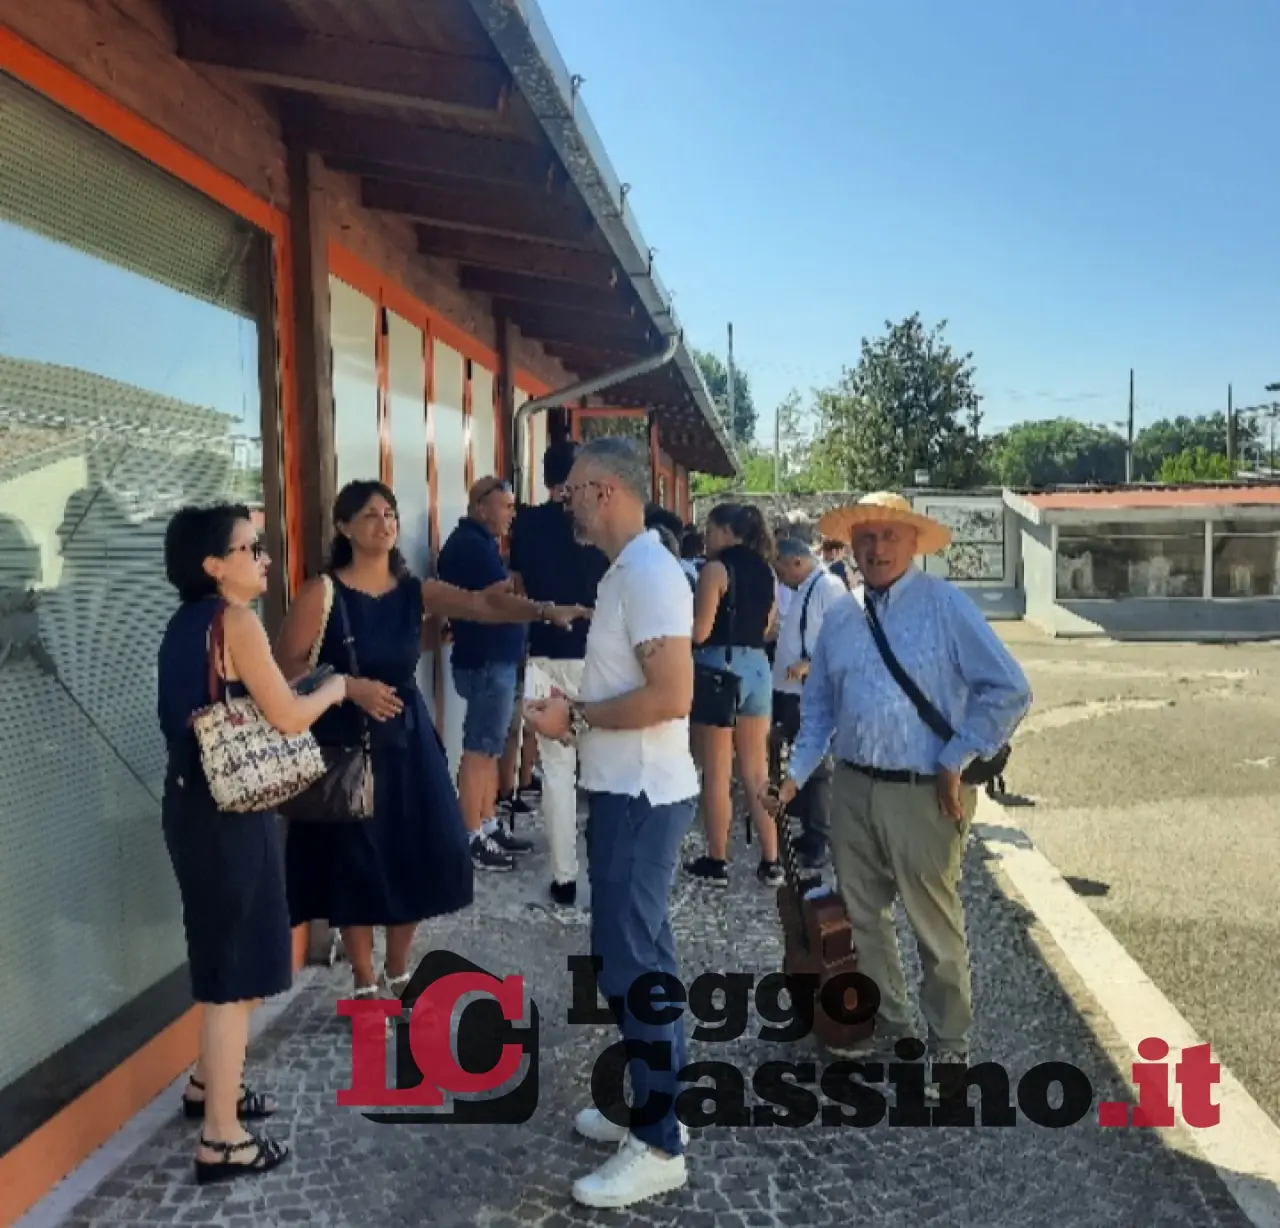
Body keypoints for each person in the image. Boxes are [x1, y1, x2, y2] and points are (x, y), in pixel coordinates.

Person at [278, 480, 586, 1003]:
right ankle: (363, 979)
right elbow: (285, 668)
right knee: (352, 859)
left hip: (407, 740)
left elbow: (482, 606)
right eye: (370, 514)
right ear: (344, 527)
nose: (384, 523)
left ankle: (399, 970)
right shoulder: (322, 593)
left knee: (421, 851)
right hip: (348, 742)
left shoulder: (413, 590)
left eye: (390, 513)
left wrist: (544, 611)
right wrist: (349, 687)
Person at [773, 492, 1031, 1086]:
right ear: (851, 545)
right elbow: (820, 708)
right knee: (862, 917)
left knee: (933, 924)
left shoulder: (945, 605)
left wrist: (957, 756)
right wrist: (794, 777)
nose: (877, 548)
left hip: (925, 790)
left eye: (890, 536)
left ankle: (949, 1042)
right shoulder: (842, 614)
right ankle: (891, 1024)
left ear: (914, 543)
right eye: (866, 537)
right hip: (852, 785)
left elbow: (1009, 689)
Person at [524, 436, 697, 1210]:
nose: (566, 505)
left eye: (572, 492)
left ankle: (658, 1145)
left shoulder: (649, 574)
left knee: (629, 965)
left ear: (603, 490)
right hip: (632, 791)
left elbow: (670, 695)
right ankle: (657, 1110)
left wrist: (577, 719)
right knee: (643, 959)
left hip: (641, 795)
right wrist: (577, 713)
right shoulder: (631, 569)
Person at [159, 503, 347, 1183]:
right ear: (214, 565)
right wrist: (334, 689)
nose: (265, 559)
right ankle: (221, 1139)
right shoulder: (234, 622)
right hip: (230, 814)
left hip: (194, 805)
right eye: (250, 549)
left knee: (224, 955)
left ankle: (209, 1085)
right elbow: (289, 716)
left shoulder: (186, 624)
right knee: (233, 978)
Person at [436, 477, 582, 871]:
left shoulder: (482, 544)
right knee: (480, 748)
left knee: (492, 746)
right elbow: (499, 599)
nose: (511, 515)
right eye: (505, 506)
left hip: (496, 658)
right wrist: (535, 605)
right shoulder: (469, 546)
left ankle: (486, 821)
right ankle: (470, 834)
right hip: (486, 659)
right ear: (480, 506)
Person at [508, 440, 610, 907]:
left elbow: (518, 585)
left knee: (555, 771)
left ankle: (564, 876)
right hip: (598, 655)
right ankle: (607, 867)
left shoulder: (526, 523)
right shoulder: (598, 520)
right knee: (603, 765)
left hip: (545, 653)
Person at [683, 502, 781, 886]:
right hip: (758, 667)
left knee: (718, 772)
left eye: (709, 531)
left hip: (720, 668)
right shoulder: (767, 572)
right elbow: (769, 626)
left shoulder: (716, 570)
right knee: (757, 771)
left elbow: (700, 631)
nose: (706, 539)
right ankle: (771, 860)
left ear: (726, 531)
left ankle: (717, 859)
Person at [769, 537, 848, 868]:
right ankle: (808, 828)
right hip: (791, 691)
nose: (779, 577)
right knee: (800, 761)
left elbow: (844, 638)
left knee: (816, 768)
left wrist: (811, 664)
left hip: (809, 692)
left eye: (781, 569)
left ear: (797, 562)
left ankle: (819, 839)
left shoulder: (829, 587)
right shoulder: (806, 588)